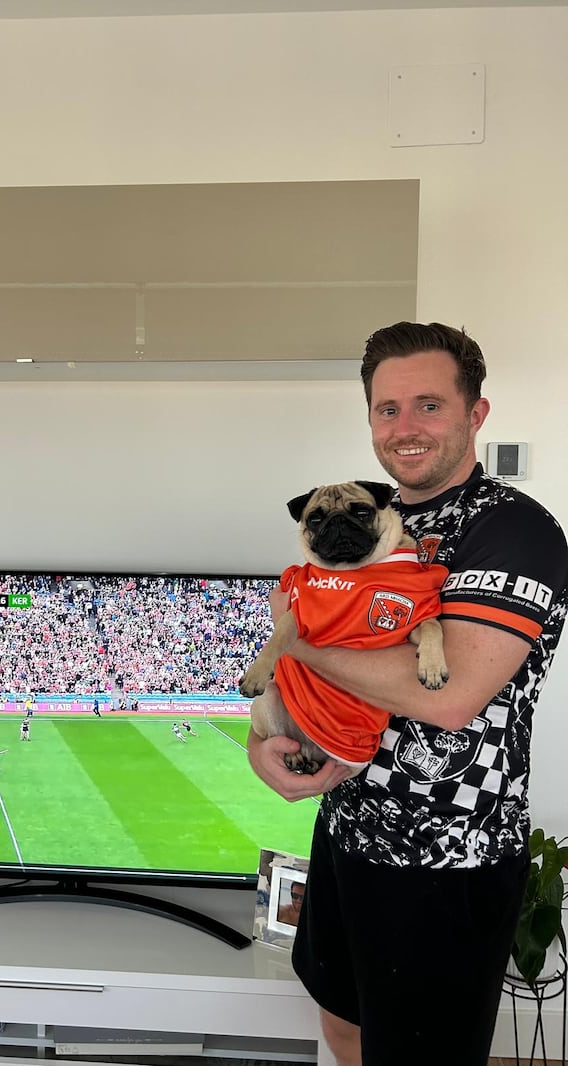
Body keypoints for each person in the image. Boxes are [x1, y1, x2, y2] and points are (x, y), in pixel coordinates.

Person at [246, 322, 568, 1066]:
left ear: (474, 413)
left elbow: (451, 696)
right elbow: (299, 660)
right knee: (344, 1026)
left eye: (428, 405)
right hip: (348, 831)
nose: (405, 427)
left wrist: (293, 635)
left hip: (448, 860)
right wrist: (263, 743)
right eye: (387, 409)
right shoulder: (371, 517)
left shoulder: (512, 531)